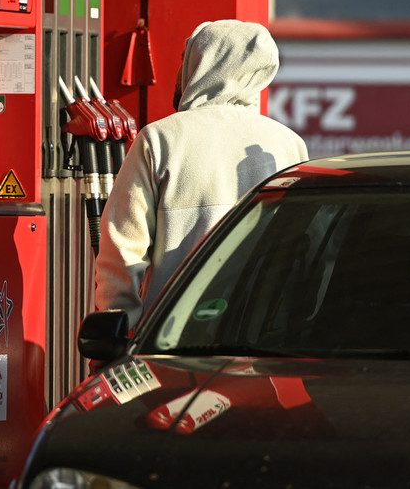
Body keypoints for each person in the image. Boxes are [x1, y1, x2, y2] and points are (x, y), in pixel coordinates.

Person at [94, 19, 309, 328]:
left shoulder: (159, 139)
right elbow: (305, 248)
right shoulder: (290, 144)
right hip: (267, 336)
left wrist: (117, 333)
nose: (179, 72)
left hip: (172, 340)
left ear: (207, 63)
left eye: (186, 59)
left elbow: (122, 251)